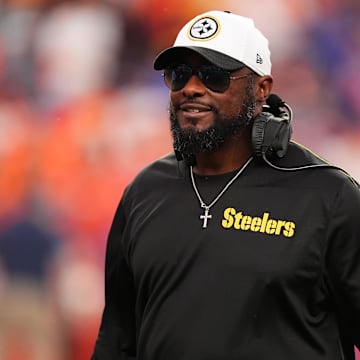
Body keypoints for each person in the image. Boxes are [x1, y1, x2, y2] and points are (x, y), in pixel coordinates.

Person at [91, 10, 360, 360]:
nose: (191, 88)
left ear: (261, 89)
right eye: (179, 75)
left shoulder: (328, 196)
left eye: (214, 76)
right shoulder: (144, 193)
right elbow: (116, 341)